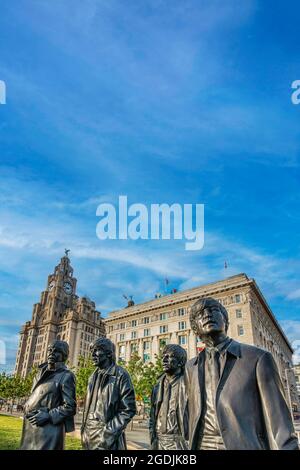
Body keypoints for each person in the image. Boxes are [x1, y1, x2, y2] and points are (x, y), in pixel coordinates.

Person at [185, 297, 299, 450]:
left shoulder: (258, 358)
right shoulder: (190, 367)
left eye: (213, 310)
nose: (207, 315)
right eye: (200, 314)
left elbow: (281, 425)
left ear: (226, 321)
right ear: (195, 329)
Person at [81, 337, 136, 450]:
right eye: (92, 351)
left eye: (96, 350)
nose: (93, 355)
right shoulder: (92, 377)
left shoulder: (120, 375)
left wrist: (107, 435)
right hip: (88, 437)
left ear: (109, 353)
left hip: (107, 438)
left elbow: (128, 409)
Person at [20, 340, 76, 450]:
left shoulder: (66, 376)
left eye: (56, 351)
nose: (51, 353)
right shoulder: (39, 373)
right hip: (30, 428)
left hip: (48, 431)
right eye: (50, 350)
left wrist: (48, 415)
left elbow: (70, 407)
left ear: (64, 355)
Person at [149, 344, 188, 450]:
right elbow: (152, 416)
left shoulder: (189, 385)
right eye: (163, 357)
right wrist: (153, 440)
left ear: (180, 362)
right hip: (159, 441)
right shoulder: (157, 386)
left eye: (169, 357)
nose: (164, 360)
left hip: (179, 442)